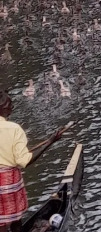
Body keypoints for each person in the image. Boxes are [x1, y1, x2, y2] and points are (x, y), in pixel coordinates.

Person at [0, 92, 63, 232]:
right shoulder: (14, 129)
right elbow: (25, 161)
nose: (13, 107)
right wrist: (50, 142)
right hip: (7, 181)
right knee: (15, 219)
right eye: (10, 104)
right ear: (2, 107)